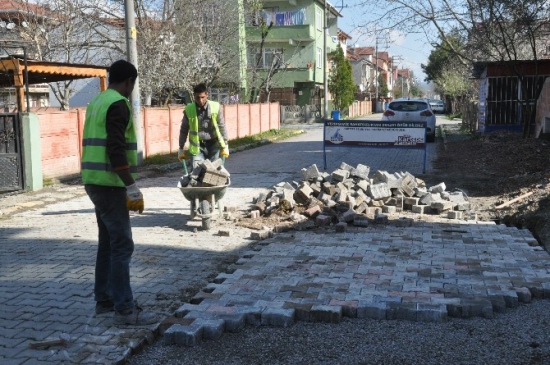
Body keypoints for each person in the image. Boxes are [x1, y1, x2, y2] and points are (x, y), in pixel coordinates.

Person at [81, 60, 158, 326]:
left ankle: (104, 301)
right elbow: (115, 150)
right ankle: (124, 310)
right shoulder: (118, 104)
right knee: (122, 245)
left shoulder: (97, 102)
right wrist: (131, 186)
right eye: (132, 85)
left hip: (93, 181)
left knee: (108, 244)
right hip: (111, 185)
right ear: (129, 82)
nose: (131, 90)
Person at [178, 83, 229, 167]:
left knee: (213, 172)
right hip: (197, 146)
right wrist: (181, 148)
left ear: (207, 95)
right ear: (194, 96)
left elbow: (221, 126)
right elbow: (184, 130)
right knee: (197, 172)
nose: (200, 100)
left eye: (202, 97)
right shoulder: (189, 109)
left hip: (213, 144)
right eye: (198, 98)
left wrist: (225, 145)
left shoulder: (215, 107)